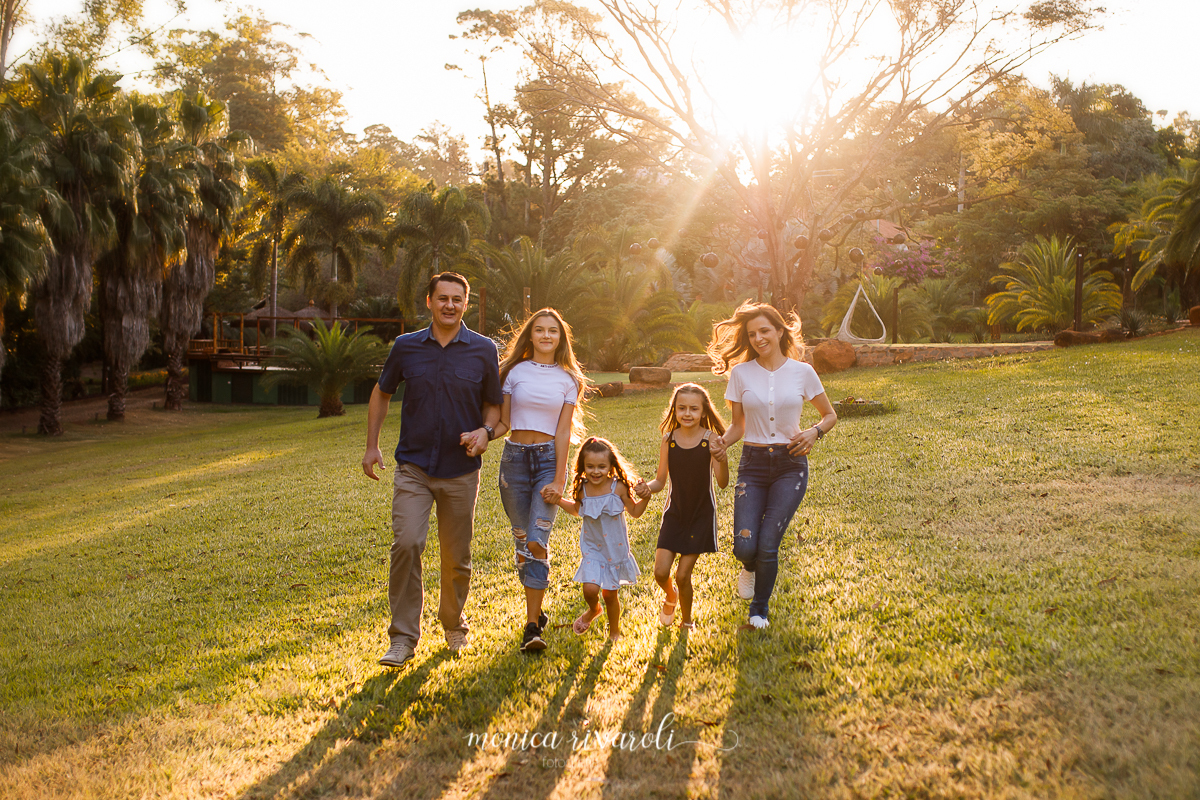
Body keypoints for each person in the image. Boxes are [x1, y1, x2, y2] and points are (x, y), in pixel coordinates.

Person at [362, 272, 502, 669]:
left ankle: (454, 623)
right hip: (414, 467)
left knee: (457, 555)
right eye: (442, 298)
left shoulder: (482, 350)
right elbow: (382, 393)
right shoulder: (406, 347)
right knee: (407, 543)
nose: (450, 306)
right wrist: (372, 446)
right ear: (429, 302)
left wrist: (485, 432)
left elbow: (493, 406)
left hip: (460, 471)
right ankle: (403, 638)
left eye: (457, 299)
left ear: (466, 303)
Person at [708, 302, 837, 630]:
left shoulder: (802, 372)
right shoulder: (740, 374)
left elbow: (830, 414)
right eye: (752, 334)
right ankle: (748, 567)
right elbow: (738, 425)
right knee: (745, 547)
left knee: (768, 544)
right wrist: (723, 441)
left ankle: (759, 611)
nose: (758, 338)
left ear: (780, 331)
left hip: (790, 466)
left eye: (765, 330)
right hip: (751, 465)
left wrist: (814, 431)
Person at [489, 308, 587, 653]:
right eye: (540, 330)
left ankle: (532, 627)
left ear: (562, 338)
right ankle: (537, 610)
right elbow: (502, 424)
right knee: (521, 542)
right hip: (513, 461)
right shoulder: (513, 372)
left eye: (553, 331)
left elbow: (563, 432)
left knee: (536, 540)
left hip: (547, 461)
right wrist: (481, 435)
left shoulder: (569, 379)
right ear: (530, 335)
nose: (546, 336)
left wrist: (560, 479)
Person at [635, 383, 729, 630]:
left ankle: (687, 622)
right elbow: (660, 480)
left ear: (704, 411)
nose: (687, 413)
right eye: (682, 408)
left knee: (683, 575)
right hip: (674, 514)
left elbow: (722, 483)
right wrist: (647, 488)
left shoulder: (712, 440)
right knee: (660, 573)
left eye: (693, 409)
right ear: (674, 410)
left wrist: (722, 459)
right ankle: (671, 595)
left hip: (700, 515)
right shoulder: (669, 440)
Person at [555, 437, 649, 642]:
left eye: (601, 466)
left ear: (610, 466)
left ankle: (614, 631)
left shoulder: (619, 487)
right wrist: (559, 501)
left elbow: (634, 512)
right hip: (592, 548)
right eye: (590, 466)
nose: (595, 471)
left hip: (614, 550)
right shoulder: (583, 488)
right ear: (582, 466)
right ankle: (593, 609)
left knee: (610, 595)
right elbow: (576, 510)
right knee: (589, 589)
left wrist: (646, 499)